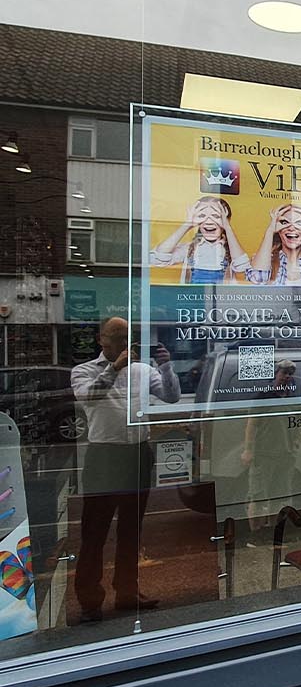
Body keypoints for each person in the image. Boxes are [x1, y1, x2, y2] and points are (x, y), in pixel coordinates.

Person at [70, 317, 181, 621]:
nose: (122, 343)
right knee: (94, 531)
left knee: (132, 529)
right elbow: (89, 397)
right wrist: (114, 368)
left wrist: (166, 367)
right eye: (115, 337)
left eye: (125, 338)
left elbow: (171, 396)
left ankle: (127, 592)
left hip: (137, 453)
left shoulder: (142, 370)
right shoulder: (83, 371)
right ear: (101, 339)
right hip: (104, 454)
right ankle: (89, 600)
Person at [241, 361, 301, 535]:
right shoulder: (263, 397)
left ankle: (273, 535)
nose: (286, 376)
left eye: (290, 374)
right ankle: (256, 535)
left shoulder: (293, 398)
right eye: (283, 373)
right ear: (276, 374)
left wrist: (296, 441)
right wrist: (248, 450)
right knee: (258, 497)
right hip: (263, 455)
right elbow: (251, 425)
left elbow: (298, 421)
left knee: (279, 498)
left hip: (286, 456)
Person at [150, 196, 250, 283]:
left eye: (216, 216)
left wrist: (227, 227)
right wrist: (188, 224)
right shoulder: (189, 249)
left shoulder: (231, 251)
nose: (209, 221)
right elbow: (158, 258)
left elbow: (242, 268)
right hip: (193, 298)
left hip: (220, 298)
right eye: (202, 216)